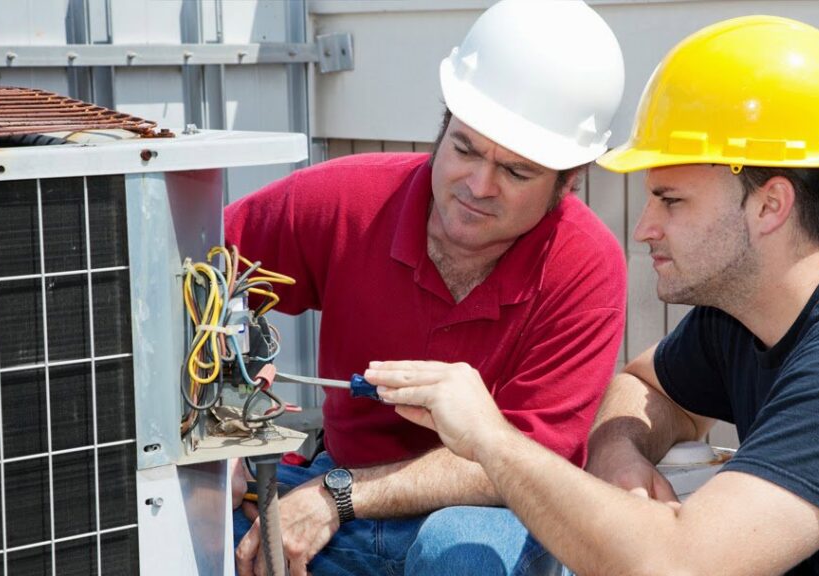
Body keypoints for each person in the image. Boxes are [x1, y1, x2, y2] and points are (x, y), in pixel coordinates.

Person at [368, 15, 819, 575]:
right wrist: (620, 457)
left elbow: (675, 565)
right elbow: (646, 385)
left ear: (770, 205)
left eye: (671, 200)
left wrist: (490, 439)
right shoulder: (751, 307)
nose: (643, 227)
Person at [224, 1, 628, 574]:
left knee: (460, 552)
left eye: (517, 172)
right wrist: (225, 418)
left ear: (569, 180)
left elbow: (529, 461)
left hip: (485, 510)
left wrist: (337, 496)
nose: (478, 186)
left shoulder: (586, 267)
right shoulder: (345, 202)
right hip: (330, 492)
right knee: (196, 525)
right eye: (464, 148)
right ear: (442, 125)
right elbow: (188, 281)